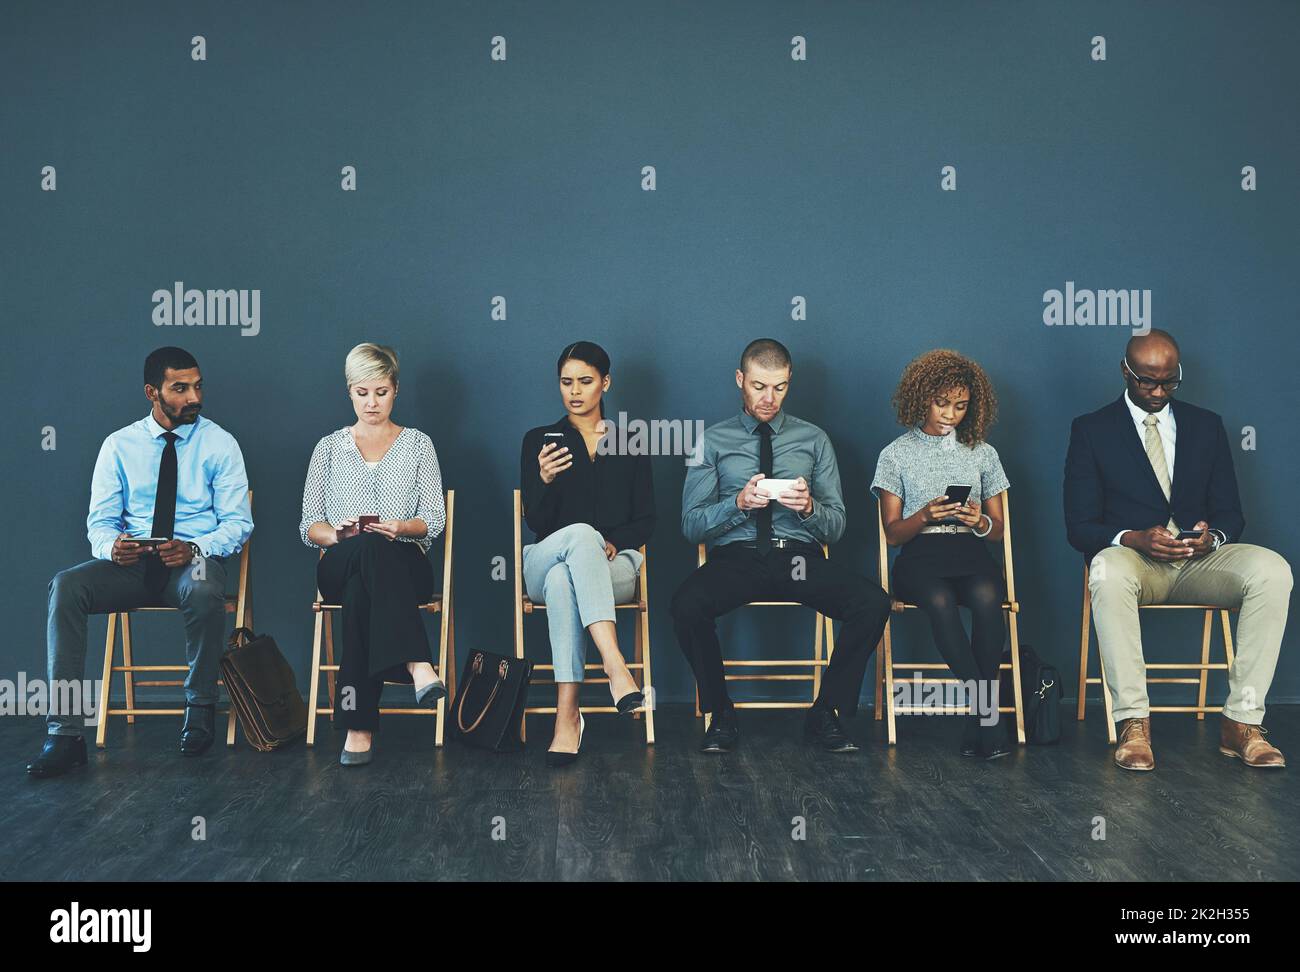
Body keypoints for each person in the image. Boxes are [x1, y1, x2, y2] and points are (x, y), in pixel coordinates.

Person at [1065, 329, 1292, 771]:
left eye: (1169, 382)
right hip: (1135, 563)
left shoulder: (1205, 425)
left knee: (1273, 570)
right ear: (1125, 371)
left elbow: (1231, 513)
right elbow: (1079, 526)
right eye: (1146, 381)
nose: (1157, 391)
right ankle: (1133, 722)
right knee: (1106, 570)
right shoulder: (1092, 430)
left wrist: (1214, 538)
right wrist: (1133, 537)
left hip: (1198, 561)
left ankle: (1241, 723)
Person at [28, 347, 254, 777]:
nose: (194, 397)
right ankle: (65, 734)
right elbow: (100, 522)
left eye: (197, 386)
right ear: (152, 392)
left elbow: (238, 523)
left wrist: (195, 548)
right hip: (132, 565)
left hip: (191, 562)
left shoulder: (219, 443)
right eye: (180, 388)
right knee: (66, 586)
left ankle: (200, 708)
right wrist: (111, 546)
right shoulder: (119, 445)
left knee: (206, 587)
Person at [671, 338, 892, 754]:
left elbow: (837, 525)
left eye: (780, 387)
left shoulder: (813, 439)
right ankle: (720, 714)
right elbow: (691, 525)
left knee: (873, 603)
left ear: (790, 383)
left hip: (797, 560)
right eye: (758, 387)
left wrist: (809, 508)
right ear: (740, 380)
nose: (769, 398)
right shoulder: (712, 441)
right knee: (685, 605)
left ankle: (825, 712)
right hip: (737, 559)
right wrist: (737, 505)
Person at [300, 343, 447, 767]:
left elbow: (433, 520)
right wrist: (338, 534)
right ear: (349, 392)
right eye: (362, 393)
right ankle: (418, 663)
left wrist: (400, 527)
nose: (372, 402)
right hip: (339, 559)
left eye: (381, 392)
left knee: (363, 586)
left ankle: (358, 728)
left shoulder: (418, 444)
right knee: (362, 547)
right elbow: (308, 525)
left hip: (405, 563)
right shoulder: (328, 448)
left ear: (396, 390)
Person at [871, 349, 1011, 759]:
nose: (951, 414)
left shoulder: (982, 453)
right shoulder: (895, 453)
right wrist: (925, 514)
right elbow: (893, 534)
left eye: (961, 406)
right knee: (939, 599)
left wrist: (976, 519)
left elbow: (998, 532)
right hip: (920, 556)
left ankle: (977, 722)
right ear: (921, 398)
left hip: (967, 549)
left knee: (989, 597)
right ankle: (989, 712)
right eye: (942, 403)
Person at [520, 341, 653, 768]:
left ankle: (567, 717)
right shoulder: (540, 440)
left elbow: (646, 520)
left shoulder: (631, 441)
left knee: (565, 582)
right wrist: (542, 479)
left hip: (612, 567)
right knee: (576, 538)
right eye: (566, 382)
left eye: (585, 381)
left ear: (606, 382)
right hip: (545, 558)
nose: (575, 391)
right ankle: (616, 666)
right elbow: (536, 523)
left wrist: (613, 540)